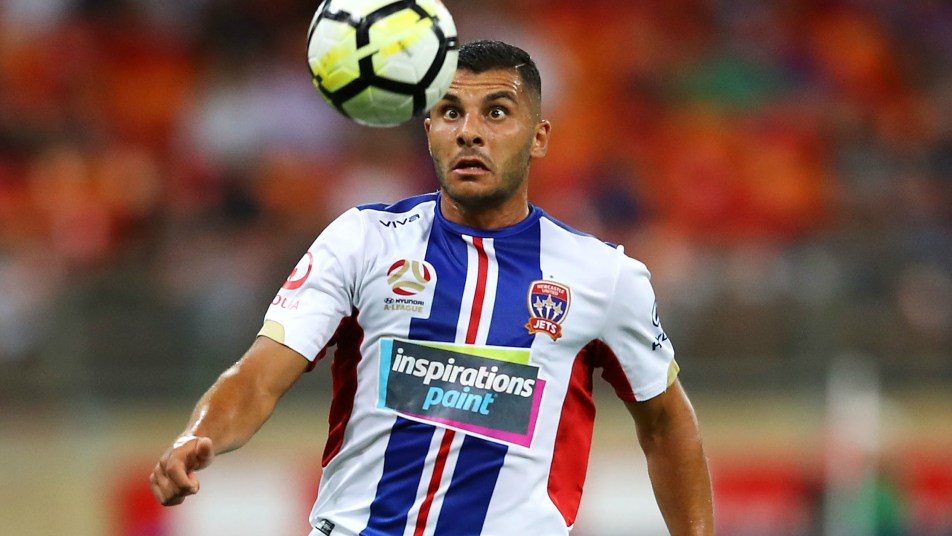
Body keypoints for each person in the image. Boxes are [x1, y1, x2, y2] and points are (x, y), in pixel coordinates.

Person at [150, 39, 714, 536]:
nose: (469, 131)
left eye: (497, 112)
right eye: (450, 112)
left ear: (538, 137)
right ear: (429, 131)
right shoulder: (362, 240)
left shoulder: (603, 276)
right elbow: (258, 376)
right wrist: (198, 434)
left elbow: (666, 423)